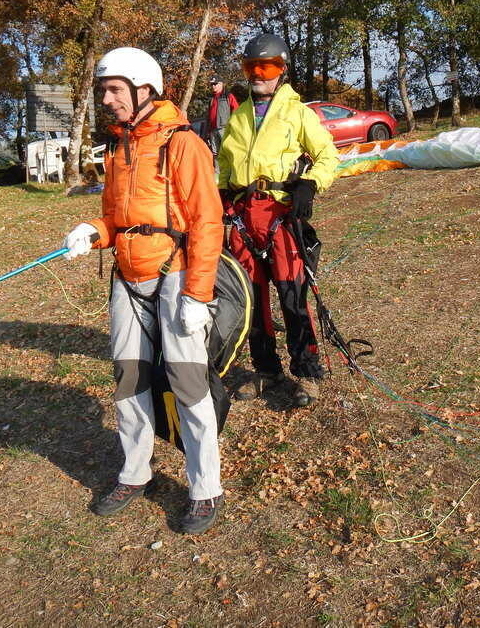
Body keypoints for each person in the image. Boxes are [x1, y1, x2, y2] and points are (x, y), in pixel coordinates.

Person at [62, 47, 225, 534]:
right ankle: (135, 473)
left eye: (114, 90)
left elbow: (207, 222)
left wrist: (198, 294)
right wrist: (93, 231)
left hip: (176, 275)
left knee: (187, 381)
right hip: (127, 278)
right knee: (129, 378)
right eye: (104, 91)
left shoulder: (182, 143)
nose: (107, 100)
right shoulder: (117, 149)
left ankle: (205, 487)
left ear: (143, 88)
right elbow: (115, 218)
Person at [217, 33, 339, 407]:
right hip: (242, 219)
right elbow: (225, 165)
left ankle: (307, 372)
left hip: (279, 217)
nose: (258, 74)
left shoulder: (298, 113)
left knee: (292, 295)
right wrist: (220, 196)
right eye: (251, 67)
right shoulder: (238, 115)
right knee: (250, 300)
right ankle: (267, 370)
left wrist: (310, 185)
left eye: (266, 67)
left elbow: (328, 156)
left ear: (281, 70)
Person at [205, 77, 239, 155]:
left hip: (224, 129)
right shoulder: (211, 98)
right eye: (212, 84)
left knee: (227, 151)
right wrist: (208, 130)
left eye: (215, 84)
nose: (213, 86)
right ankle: (216, 164)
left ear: (221, 84)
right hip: (212, 130)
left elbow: (236, 110)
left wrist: (232, 126)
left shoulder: (228, 96)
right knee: (215, 153)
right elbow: (208, 115)